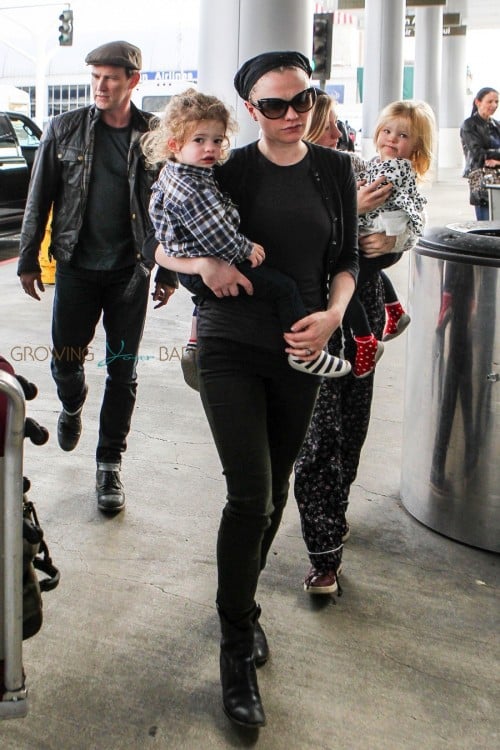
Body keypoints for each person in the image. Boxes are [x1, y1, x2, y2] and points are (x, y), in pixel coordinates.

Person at [153, 51, 359, 729]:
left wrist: (331, 316)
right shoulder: (225, 166)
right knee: (250, 493)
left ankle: (243, 606)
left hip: (302, 349)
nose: (292, 114)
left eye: (303, 100)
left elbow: (348, 261)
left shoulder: (335, 171)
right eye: (275, 104)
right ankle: (235, 645)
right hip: (231, 345)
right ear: (252, 110)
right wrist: (204, 263)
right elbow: (155, 243)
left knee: (274, 495)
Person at [17, 41, 177, 514]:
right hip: (76, 268)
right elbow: (39, 196)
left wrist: (166, 269)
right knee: (66, 360)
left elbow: (169, 209)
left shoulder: (154, 136)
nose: (101, 86)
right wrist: (29, 258)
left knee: (122, 369)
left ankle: (109, 464)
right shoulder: (63, 128)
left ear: (133, 81)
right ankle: (72, 401)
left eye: (110, 77)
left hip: (131, 272)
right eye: (95, 77)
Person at [295, 99, 436, 595]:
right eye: (331, 126)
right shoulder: (279, 176)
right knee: (317, 440)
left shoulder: (352, 163)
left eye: (339, 125)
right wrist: (350, 217)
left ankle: (337, 510)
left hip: (364, 310)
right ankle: (324, 552)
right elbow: (295, 241)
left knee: (351, 429)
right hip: (311, 320)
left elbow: (398, 219)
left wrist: (393, 240)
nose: (342, 133)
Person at [145, 88, 351, 381]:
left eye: (217, 141)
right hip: (214, 284)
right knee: (283, 288)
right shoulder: (195, 186)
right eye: (199, 141)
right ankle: (305, 354)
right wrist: (242, 249)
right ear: (174, 144)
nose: (210, 149)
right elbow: (213, 235)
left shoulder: (185, 172)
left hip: (201, 266)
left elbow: (348, 255)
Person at [460, 87, 500, 220]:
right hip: (481, 177)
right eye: (490, 101)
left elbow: (485, 152)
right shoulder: (469, 125)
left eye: (496, 102)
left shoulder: (496, 125)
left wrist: (496, 159)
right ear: (478, 102)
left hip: (498, 176)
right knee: (486, 221)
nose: (494, 105)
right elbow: (477, 153)